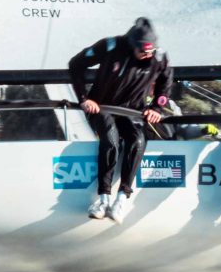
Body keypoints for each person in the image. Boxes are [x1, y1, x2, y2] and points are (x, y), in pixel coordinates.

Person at [66, 17, 174, 220]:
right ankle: (103, 199)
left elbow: (165, 82)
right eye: (142, 51)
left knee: (137, 140)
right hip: (102, 106)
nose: (147, 55)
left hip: (132, 110)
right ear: (132, 45)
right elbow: (75, 64)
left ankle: (122, 197)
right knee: (111, 139)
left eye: (150, 51)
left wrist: (157, 107)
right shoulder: (111, 46)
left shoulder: (159, 57)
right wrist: (83, 98)